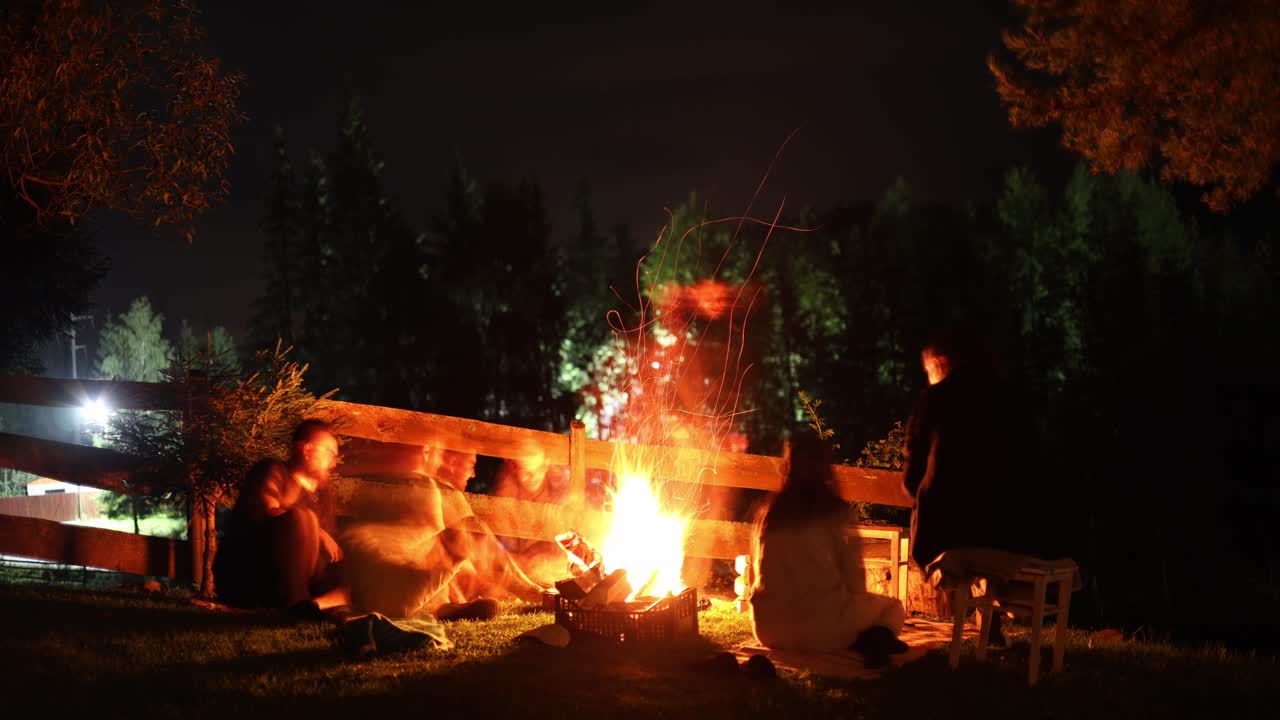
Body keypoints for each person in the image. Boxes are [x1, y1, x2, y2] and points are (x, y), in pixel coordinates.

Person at [748, 428, 908, 667]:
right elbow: (855, 579)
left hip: (768, 629)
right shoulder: (836, 512)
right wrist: (855, 608)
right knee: (894, 607)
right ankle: (872, 639)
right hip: (824, 630)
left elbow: (756, 573)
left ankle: (866, 639)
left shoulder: (767, 512)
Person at [214, 419, 349, 620]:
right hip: (251, 575)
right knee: (302, 518)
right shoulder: (273, 471)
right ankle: (297, 604)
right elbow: (267, 509)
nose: (332, 461)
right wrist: (318, 532)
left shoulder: (323, 495)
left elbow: (332, 549)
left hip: (307, 584)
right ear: (308, 449)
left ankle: (313, 606)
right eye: (329, 452)